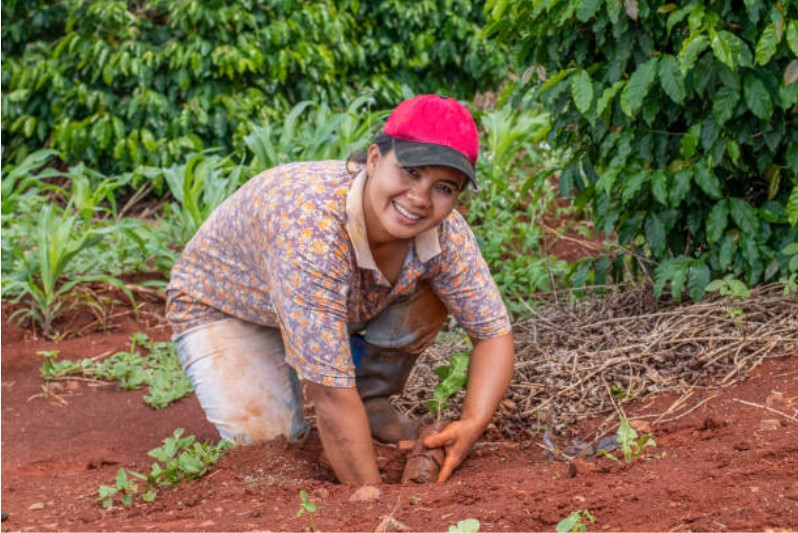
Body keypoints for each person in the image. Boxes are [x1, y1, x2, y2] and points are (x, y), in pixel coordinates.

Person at [165, 94, 515, 485]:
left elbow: (492, 333)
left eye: (444, 188)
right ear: (374, 159)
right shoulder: (311, 228)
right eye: (411, 172)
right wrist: (368, 499)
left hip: (329, 303)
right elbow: (329, 394)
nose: (419, 199)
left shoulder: (446, 235)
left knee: (434, 294)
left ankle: (369, 397)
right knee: (267, 443)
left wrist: (471, 424)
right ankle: (313, 373)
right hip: (229, 309)